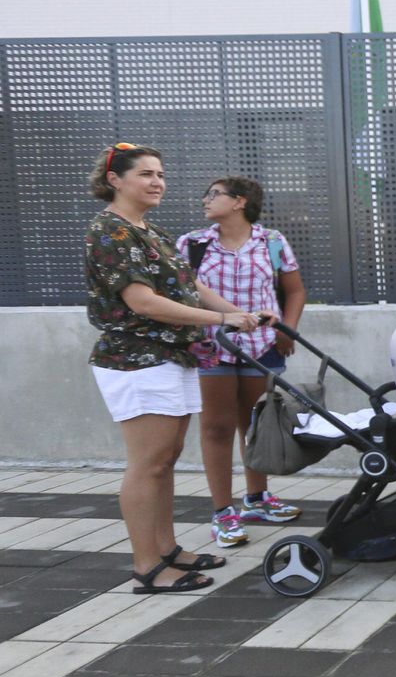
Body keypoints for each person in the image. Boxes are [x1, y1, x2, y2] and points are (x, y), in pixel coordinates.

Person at [85, 143, 266, 595]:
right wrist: (220, 320)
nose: (157, 182)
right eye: (146, 174)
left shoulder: (150, 231)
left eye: (160, 173)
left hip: (169, 357)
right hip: (135, 358)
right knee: (148, 464)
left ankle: (167, 551)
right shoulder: (112, 232)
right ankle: (147, 567)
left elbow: (192, 287)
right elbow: (142, 302)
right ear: (114, 180)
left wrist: (240, 313)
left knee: (165, 460)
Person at [175, 177, 306, 549]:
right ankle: (222, 512)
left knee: (255, 424)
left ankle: (257, 499)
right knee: (216, 427)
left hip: (262, 345)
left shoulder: (273, 242)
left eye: (214, 194)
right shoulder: (192, 244)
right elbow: (179, 294)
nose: (205, 199)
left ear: (239, 202)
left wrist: (288, 329)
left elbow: (294, 290)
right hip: (210, 345)